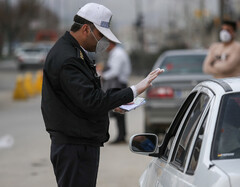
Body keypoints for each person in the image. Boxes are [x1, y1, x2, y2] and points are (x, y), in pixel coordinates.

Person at [41, 3, 164, 187]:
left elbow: (83, 97)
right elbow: (92, 101)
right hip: (74, 146)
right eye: (100, 35)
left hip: (80, 143)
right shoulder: (68, 58)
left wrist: (114, 103)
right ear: (85, 29)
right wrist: (134, 89)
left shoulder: (74, 52)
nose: (102, 42)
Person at [102, 42, 131, 144]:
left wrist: (102, 76)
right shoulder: (117, 53)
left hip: (118, 85)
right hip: (119, 84)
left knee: (119, 112)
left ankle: (121, 136)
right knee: (119, 112)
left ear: (111, 44)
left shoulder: (117, 54)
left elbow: (115, 72)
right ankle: (121, 135)